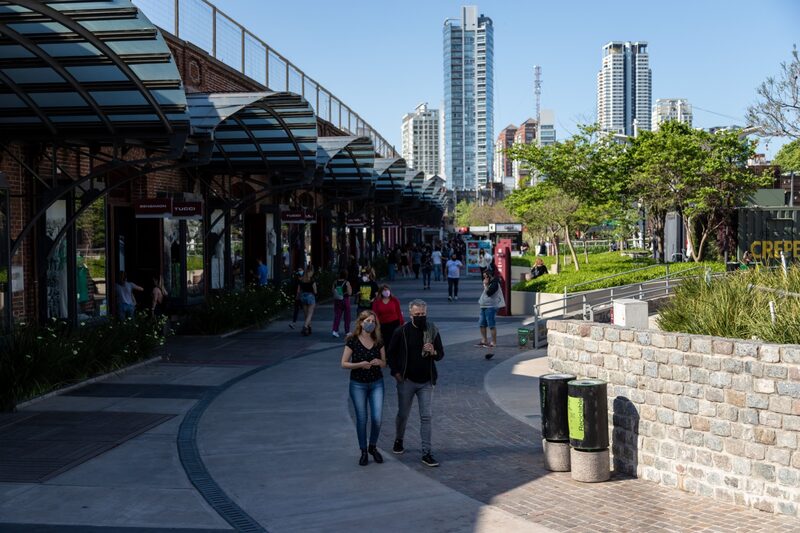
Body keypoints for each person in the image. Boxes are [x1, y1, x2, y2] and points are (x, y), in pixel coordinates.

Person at [388, 299, 445, 467]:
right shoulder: (401, 331)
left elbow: (441, 354)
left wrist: (433, 351)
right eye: (417, 314)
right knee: (403, 414)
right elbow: (391, 353)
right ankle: (399, 439)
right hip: (406, 381)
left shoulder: (432, 330)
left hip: (426, 381)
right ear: (410, 314)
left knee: (426, 417)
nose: (421, 317)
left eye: (423, 314)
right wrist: (396, 373)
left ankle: (426, 452)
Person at [340, 310, 387, 466]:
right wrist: (359, 364)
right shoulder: (352, 340)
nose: (370, 324)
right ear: (361, 322)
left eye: (373, 321)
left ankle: (372, 446)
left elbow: (384, 363)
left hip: (376, 383)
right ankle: (363, 451)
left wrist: (379, 362)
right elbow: (344, 363)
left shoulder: (378, 340)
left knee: (377, 418)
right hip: (358, 385)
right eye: (367, 321)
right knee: (362, 418)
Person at [477, 270, 505, 354]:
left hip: (491, 307)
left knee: (491, 325)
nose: (484, 278)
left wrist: (485, 285)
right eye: (483, 276)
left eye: (486, 276)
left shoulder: (495, 283)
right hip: (483, 306)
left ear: (490, 276)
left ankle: (493, 342)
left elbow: (489, 293)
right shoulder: (488, 282)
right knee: (482, 324)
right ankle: (484, 340)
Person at [297, 265, 317, 336]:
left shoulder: (301, 279)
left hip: (303, 296)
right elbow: (315, 291)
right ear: (311, 271)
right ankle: (305, 326)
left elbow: (298, 291)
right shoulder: (312, 280)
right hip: (310, 296)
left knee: (306, 314)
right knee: (310, 314)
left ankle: (309, 328)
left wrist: (298, 298)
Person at [331, 270, 352, 338]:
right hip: (345, 300)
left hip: (337, 300)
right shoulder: (347, 282)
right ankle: (347, 331)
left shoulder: (335, 282)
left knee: (337, 316)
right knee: (347, 317)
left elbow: (332, 291)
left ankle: (335, 331)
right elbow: (349, 293)